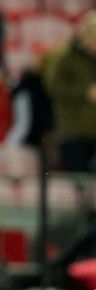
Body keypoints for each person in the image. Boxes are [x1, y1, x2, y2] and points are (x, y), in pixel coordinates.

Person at [45, 11, 96, 172]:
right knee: (75, 178)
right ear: (84, 34)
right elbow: (53, 87)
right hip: (73, 129)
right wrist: (85, 92)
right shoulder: (63, 56)